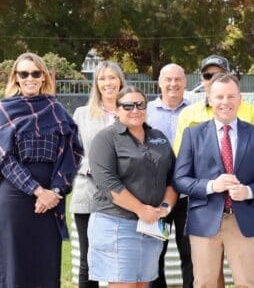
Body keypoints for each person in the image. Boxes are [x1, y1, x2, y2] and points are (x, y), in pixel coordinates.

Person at [173, 73, 254, 288]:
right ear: (210, 100)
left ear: (240, 99)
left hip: (243, 220)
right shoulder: (193, 134)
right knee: (204, 283)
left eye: (231, 96)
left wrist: (248, 191)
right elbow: (180, 179)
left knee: (247, 283)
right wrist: (211, 186)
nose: (225, 102)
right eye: (219, 97)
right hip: (204, 221)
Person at [0, 52, 83, 288]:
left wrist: (55, 190)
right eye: (23, 73)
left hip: (51, 197)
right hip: (15, 196)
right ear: (15, 77)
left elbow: (72, 152)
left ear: (43, 77)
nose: (30, 78)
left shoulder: (56, 110)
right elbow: (4, 159)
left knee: (46, 262)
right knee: (15, 263)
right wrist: (37, 191)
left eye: (35, 73)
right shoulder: (3, 111)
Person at [88, 85, 177, 287]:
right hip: (117, 224)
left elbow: (173, 178)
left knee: (143, 284)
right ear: (118, 110)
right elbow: (107, 182)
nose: (135, 110)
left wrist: (165, 208)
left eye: (140, 104)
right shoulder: (106, 138)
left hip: (151, 225)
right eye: (127, 106)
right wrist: (140, 209)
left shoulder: (159, 137)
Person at [72, 61, 126, 288]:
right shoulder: (82, 114)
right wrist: (92, 167)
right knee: (88, 261)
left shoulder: (132, 111)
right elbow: (73, 152)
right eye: (103, 78)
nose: (108, 83)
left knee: (122, 259)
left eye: (112, 77)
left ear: (121, 81)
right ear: (96, 83)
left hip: (124, 197)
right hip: (89, 195)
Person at [147, 64, 191, 288]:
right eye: (168, 79)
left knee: (190, 255)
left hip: (188, 197)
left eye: (178, 79)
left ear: (185, 81)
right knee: (155, 255)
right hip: (157, 197)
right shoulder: (145, 111)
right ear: (159, 82)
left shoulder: (195, 110)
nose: (173, 84)